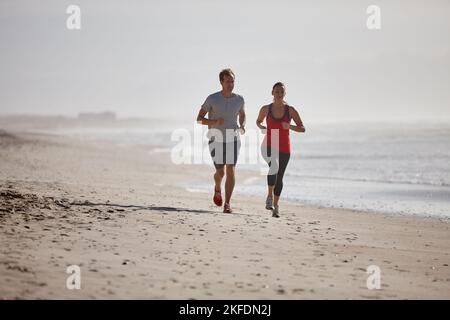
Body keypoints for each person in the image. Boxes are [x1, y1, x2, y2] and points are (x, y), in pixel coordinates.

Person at [196, 69, 246, 213]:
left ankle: (227, 204)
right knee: (221, 173)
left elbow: (242, 114)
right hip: (215, 138)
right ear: (221, 82)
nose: (231, 84)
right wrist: (214, 121)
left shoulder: (239, 99)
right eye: (227, 81)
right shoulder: (212, 98)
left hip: (233, 138)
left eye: (232, 81)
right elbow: (199, 119)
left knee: (231, 169)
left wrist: (242, 125)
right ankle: (217, 187)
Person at [256, 82, 305, 218]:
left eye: (281, 92)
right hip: (270, 144)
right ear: (272, 93)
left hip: (284, 146)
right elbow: (258, 121)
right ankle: (269, 197)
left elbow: (302, 128)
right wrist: (262, 128)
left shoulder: (290, 110)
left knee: (280, 176)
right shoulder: (266, 109)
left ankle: (276, 206)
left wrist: (289, 126)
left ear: (284, 93)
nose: (279, 94)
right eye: (276, 91)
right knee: (274, 167)